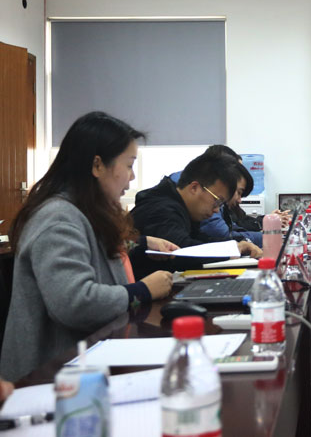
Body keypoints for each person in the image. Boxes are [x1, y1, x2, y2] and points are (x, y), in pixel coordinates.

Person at [1, 112, 174, 381]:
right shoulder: (57, 218)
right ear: (97, 165)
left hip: (87, 363)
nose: (131, 178)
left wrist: (141, 246)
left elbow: (98, 255)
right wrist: (143, 290)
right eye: (129, 165)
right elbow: (75, 303)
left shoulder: (85, 212)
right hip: (49, 378)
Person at [130, 152, 262, 277]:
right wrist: (232, 249)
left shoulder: (182, 207)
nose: (217, 210)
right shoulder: (161, 209)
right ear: (194, 188)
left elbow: (200, 240)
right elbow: (181, 250)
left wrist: (235, 245)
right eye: (217, 201)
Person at [170, 145, 292, 246]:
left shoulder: (212, 195)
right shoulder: (204, 194)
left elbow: (236, 226)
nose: (239, 199)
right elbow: (222, 236)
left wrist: (266, 224)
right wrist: (267, 237)